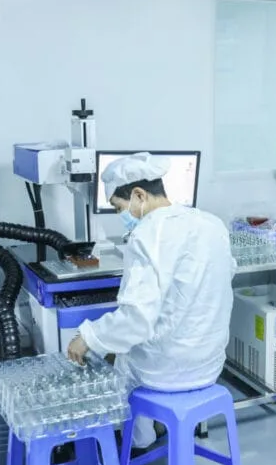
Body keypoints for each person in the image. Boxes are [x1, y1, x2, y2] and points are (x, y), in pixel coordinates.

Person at [66, 152, 235, 449]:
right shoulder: (211, 223)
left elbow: (136, 320)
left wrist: (88, 337)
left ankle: (137, 441)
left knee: (118, 360)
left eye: (119, 208)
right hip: (210, 364)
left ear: (139, 195)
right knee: (129, 347)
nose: (121, 216)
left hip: (166, 372)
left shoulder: (147, 234)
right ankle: (156, 429)